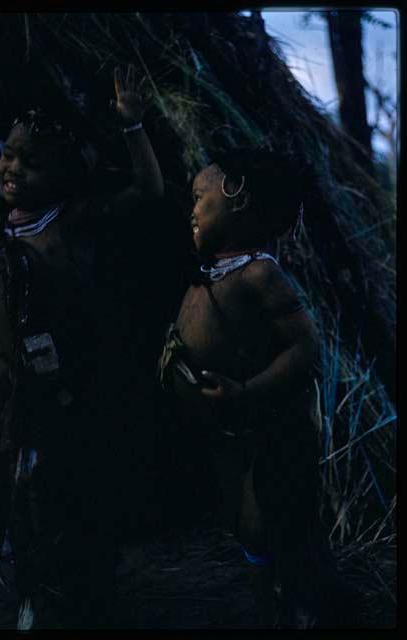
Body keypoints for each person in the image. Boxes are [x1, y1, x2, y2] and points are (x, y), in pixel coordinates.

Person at [0, 65, 163, 629]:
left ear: (63, 176)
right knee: (27, 495)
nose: (12, 168)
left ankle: (79, 591)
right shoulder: (3, 231)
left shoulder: (74, 222)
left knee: (73, 493)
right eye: (8, 155)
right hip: (24, 394)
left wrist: (132, 127)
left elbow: (148, 193)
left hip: (76, 393)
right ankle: (42, 589)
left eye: (31, 163)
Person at [158, 150, 360, 628]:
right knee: (244, 522)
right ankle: (271, 605)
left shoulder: (260, 273)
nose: (191, 210)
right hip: (228, 432)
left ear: (237, 198)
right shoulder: (212, 267)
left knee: (267, 522)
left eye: (199, 198)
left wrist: (247, 392)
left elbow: (305, 347)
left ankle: (302, 607)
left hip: (268, 429)